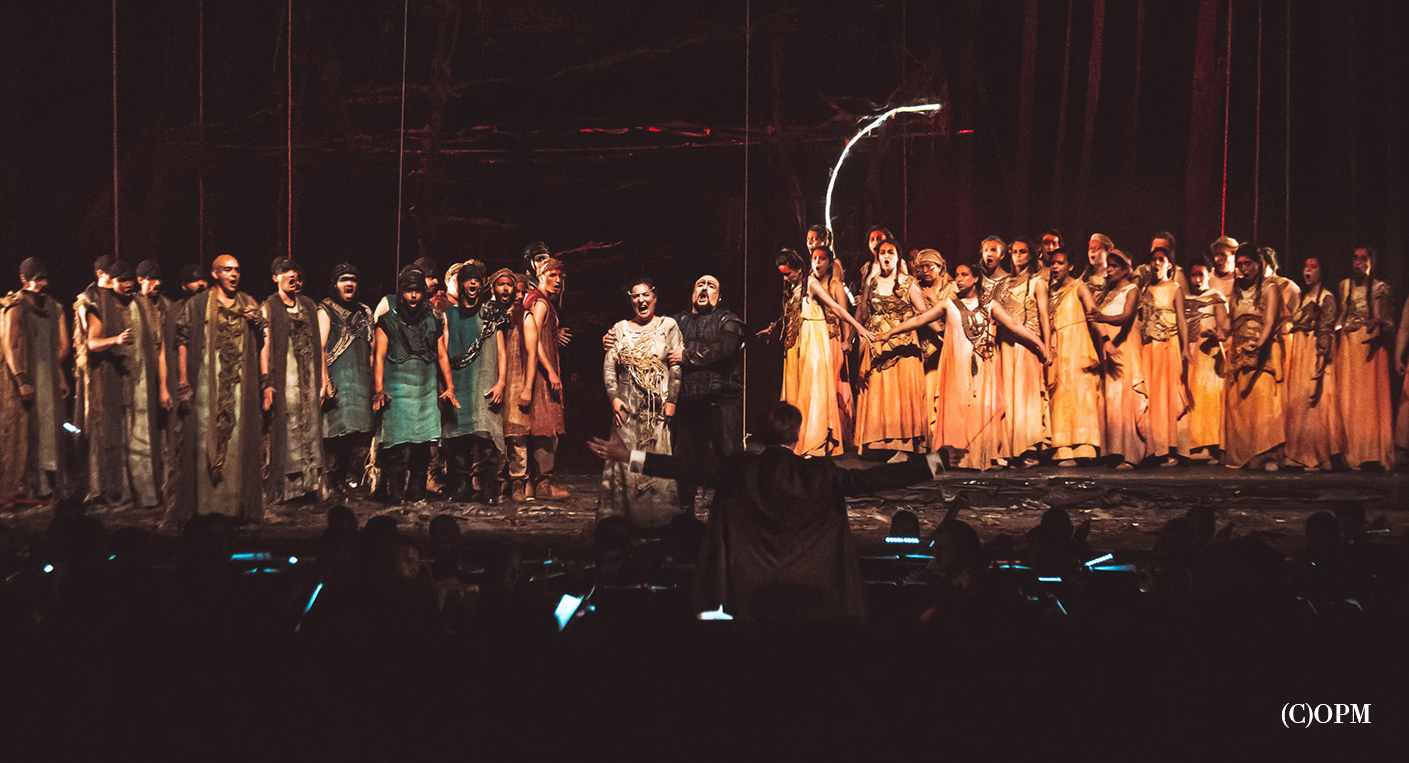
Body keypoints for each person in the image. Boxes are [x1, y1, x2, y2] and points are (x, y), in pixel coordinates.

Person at [587, 401, 942, 623]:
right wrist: (934, 463)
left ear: (762, 434)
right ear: (797, 435)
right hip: (814, 592)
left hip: (748, 593)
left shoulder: (739, 469)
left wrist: (630, 456)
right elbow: (878, 478)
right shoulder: (820, 473)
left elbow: (686, 467)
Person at [878, 263, 1048, 470]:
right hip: (956, 367)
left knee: (983, 410)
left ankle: (985, 456)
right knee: (957, 411)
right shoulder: (948, 304)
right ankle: (956, 458)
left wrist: (1040, 345)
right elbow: (921, 319)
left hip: (983, 366)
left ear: (975, 278)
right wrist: (890, 333)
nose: (958, 279)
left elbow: (1014, 325)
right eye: (957, 275)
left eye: (964, 275)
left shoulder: (990, 305)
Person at [173, 254, 266, 522]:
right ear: (215, 274)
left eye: (237, 270)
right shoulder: (197, 305)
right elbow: (182, 341)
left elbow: (263, 340)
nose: (234, 274)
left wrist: (257, 322)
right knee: (205, 437)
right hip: (206, 384)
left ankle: (233, 507)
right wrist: (183, 383)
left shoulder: (248, 303)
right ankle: (205, 508)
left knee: (237, 440)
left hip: (239, 385)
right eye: (227, 270)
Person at [762, 248, 872, 457]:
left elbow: (837, 308)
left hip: (813, 346)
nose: (785, 278)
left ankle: (814, 443)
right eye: (782, 274)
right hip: (795, 348)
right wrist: (773, 329)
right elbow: (790, 315)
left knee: (813, 392)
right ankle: (794, 442)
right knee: (796, 394)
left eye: (788, 274)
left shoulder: (811, 284)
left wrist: (858, 328)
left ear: (799, 269)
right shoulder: (791, 289)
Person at [81, 260, 171, 507]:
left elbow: (160, 348)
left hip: (143, 384)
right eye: (123, 282)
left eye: (131, 282)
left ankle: (147, 495)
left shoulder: (144, 305)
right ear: (112, 282)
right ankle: (120, 493)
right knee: (117, 441)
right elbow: (92, 342)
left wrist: (163, 387)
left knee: (143, 440)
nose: (128, 286)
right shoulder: (100, 305)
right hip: (113, 385)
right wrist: (115, 340)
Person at [599, 277, 683, 528]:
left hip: (656, 412)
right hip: (627, 411)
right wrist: (614, 398)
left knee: (653, 461)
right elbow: (609, 367)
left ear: (655, 298)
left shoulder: (668, 326)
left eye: (646, 295)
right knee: (628, 462)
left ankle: (657, 519)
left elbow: (676, 366)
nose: (641, 300)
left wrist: (672, 400)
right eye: (635, 296)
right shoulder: (620, 329)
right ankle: (627, 518)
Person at [373, 267, 457, 503]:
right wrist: (378, 389)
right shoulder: (387, 321)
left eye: (417, 291)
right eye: (408, 291)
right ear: (401, 292)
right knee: (397, 446)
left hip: (425, 391)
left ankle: (417, 492)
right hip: (397, 391)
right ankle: (396, 493)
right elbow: (378, 357)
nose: (413, 296)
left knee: (422, 446)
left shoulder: (432, 320)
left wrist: (449, 387)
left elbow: (442, 355)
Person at [667, 275, 744, 516]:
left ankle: (730, 514)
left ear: (718, 297)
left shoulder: (728, 320)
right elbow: (648, 336)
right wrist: (615, 340)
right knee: (685, 463)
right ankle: (685, 516)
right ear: (692, 293)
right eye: (700, 284)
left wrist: (687, 356)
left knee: (727, 460)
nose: (704, 288)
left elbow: (724, 348)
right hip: (689, 403)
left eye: (711, 286)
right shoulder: (675, 321)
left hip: (721, 402)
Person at [0, 258, 71, 499]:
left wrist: (59, 375)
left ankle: (48, 485)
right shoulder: (15, 306)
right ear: (24, 280)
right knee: (25, 433)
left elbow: (63, 346)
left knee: (49, 430)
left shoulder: (53, 307)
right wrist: (21, 380)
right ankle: (25, 486)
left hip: (48, 379)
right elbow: (10, 344)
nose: (43, 284)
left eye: (44, 278)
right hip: (22, 378)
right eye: (37, 279)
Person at [261, 257, 329, 503]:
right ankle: (288, 491)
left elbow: (319, 346)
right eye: (285, 271)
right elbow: (265, 346)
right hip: (285, 378)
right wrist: (266, 382)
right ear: (275, 277)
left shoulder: (308, 305)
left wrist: (324, 379)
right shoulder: (269, 307)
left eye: (294, 272)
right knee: (288, 429)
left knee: (311, 428)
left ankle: (311, 486)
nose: (292, 276)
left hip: (309, 378)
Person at [854, 240, 929, 454]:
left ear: (898, 257)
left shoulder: (908, 282)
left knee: (901, 393)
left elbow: (924, 314)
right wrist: (853, 335)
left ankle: (904, 445)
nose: (886, 256)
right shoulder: (872, 282)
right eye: (882, 253)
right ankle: (879, 444)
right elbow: (862, 313)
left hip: (903, 346)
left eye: (891, 252)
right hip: (878, 345)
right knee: (880, 392)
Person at [441, 262, 507, 504]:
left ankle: (489, 489)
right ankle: (462, 487)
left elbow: (501, 351)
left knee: (485, 439)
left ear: (481, 285)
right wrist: (446, 385)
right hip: (458, 383)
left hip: (485, 382)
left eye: (476, 280)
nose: (472, 284)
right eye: (468, 280)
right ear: (460, 284)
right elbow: (443, 351)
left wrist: (501, 382)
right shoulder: (449, 315)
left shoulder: (491, 314)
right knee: (458, 439)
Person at [509, 258, 569, 500]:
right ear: (541, 276)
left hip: (540, 372)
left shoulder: (538, 300)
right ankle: (543, 484)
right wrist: (551, 371)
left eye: (560, 276)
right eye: (552, 275)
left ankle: (534, 484)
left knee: (539, 426)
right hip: (542, 376)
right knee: (546, 426)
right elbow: (533, 341)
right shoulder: (540, 302)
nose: (558, 280)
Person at [1223, 245, 1285, 470]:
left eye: (1247, 263)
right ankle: (1246, 455)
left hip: (1262, 351)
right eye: (1239, 264)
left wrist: (1258, 346)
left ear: (1259, 264)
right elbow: (1230, 323)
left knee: (1263, 404)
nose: (1243, 268)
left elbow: (1269, 321)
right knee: (1241, 406)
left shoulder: (1270, 288)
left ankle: (1268, 456)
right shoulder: (1236, 290)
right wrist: (1219, 330)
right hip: (1239, 352)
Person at [1088, 250, 1150, 469]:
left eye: (1114, 266)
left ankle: (1132, 454)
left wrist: (1103, 317)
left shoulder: (1132, 290)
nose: (1109, 270)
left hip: (1125, 346)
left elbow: (1127, 316)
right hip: (1109, 347)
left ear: (1125, 269)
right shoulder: (1108, 293)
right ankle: (1115, 451)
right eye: (1109, 266)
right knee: (1113, 399)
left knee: (1126, 397)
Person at [1336, 246, 1394, 469]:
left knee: (1368, 400)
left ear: (1371, 262)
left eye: (1363, 259)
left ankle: (1371, 452)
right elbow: (1342, 316)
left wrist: (1380, 322)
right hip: (1348, 346)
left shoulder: (1380, 288)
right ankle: (1349, 454)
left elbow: (1390, 323)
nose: (1358, 263)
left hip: (1370, 347)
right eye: (1355, 258)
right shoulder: (1344, 286)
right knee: (1348, 398)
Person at [995, 236, 1051, 466]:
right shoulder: (1004, 283)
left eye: (1022, 252)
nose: (1017, 256)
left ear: (1031, 255)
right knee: (1008, 395)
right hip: (1006, 344)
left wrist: (1046, 345)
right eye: (1014, 252)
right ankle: (1008, 448)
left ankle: (1029, 448)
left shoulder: (1037, 282)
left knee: (1026, 395)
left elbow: (1044, 316)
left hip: (1028, 344)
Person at [319, 263, 375, 492]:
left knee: (354, 430)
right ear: (335, 284)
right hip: (337, 378)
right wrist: (325, 381)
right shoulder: (325, 309)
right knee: (334, 429)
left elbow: (372, 347)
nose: (349, 283)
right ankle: (330, 479)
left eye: (353, 279)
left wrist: (374, 381)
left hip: (360, 379)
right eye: (343, 279)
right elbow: (320, 347)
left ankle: (344, 476)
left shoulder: (364, 311)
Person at [1046, 248, 1104, 466]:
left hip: (1078, 346)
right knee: (1060, 396)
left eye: (1060, 263)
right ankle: (1063, 449)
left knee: (1081, 395)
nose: (1055, 267)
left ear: (1070, 266)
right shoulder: (1050, 292)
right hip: (1058, 348)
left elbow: (1094, 316)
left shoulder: (1080, 287)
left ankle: (1084, 446)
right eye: (1053, 263)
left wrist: (1105, 342)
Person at [1284, 257, 1343, 470]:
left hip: (1314, 351)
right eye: (1306, 266)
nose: (1307, 270)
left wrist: (1321, 358)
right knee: (1298, 402)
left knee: (1315, 402)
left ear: (1322, 272)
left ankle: (1318, 454)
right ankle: (1296, 454)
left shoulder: (1327, 298)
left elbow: (1326, 329)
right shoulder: (1300, 297)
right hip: (1299, 351)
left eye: (1313, 267)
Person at [1138, 246, 1190, 465]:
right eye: (1154, 259)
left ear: (1170, 264)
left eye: (1161, 259)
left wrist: (1185, 348)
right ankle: (1152, 447)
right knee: (1151, 396)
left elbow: (1182, 319)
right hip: (1149, 347)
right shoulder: (1145, 289)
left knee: (1165, 396)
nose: (1157, 263)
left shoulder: (1175, 288)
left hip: (1168, 346)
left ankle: (1168, 448)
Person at [1179, 257, 1229, 463]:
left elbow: (1224, 327)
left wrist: (1215, 333)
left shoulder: (1215, 297)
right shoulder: (1183, 297)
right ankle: (1189, 445)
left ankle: (1209, 446)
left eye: (1201, 274)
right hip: (1188, 353)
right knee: (1188, 398)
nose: (1197, 279)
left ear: (1209, 275)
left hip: (1208, 355)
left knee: (1207, 399)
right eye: (1193, 275)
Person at [811, 245, 855, 446]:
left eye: (822, 259)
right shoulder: (809, 284)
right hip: (814, 340)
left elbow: (844, 315)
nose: (817, 262)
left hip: (832, 340)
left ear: (829, 263)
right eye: (815, 258)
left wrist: (847, 341)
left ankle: (837, 434)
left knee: (833, 384)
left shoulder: (835, 285)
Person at [913, 249, 955, 450]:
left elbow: (955, 315)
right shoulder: (916, 287)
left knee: (936, 393)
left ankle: (937, 442)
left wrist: (933, 299)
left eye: (930, 266)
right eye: (921, 267)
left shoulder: (950, 288)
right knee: (921, 395)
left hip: (942, 347)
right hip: (920, 346)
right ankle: (922, 441)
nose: (925, 271)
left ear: (940, 267)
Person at [977, 236, 1011, 305]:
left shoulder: (1010, 281)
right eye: (986, 250)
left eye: (993, 250)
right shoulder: (978, 280)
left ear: (1002, 255)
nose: (989, 254)